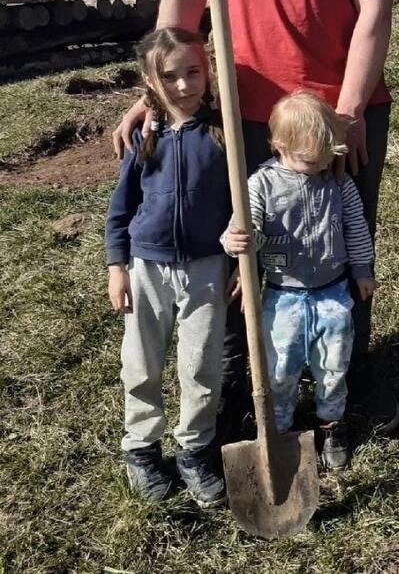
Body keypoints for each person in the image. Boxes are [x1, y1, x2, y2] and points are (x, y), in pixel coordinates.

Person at [111, 0, 399, 438]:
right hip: (241, 115)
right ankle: (251, 390)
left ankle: (341, 387)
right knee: (242, 249)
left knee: (335, 248)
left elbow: (375, 12)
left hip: (333, 115)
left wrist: (349, 110)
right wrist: (156, 93)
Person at [105, 27, 232, 507]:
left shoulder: (223, 131)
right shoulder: (143, 135)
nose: (183, 86)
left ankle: (195, 450)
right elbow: (121, 207)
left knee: (200, 365)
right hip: (147, 266)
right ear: (149, 80)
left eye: (192, 72)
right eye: (170, 76)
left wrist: (240, 258)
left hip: (207, 267)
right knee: (142, 361)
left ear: (207, 69)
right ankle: (141, 447)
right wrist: (117, 265)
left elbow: (244, 200)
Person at [223, 91, 375, 470]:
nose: (323, 163)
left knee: (334, 362)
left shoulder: (337, 183)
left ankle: (331, 424)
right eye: (312, 158)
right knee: (281, 365)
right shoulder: (260, 185)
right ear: (280, 145)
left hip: (332, 292)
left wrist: (361, 269)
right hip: (284, 294)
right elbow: (245, 228)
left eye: (327, 154)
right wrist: (238, 241)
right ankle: (281, 426)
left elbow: (356, 226)